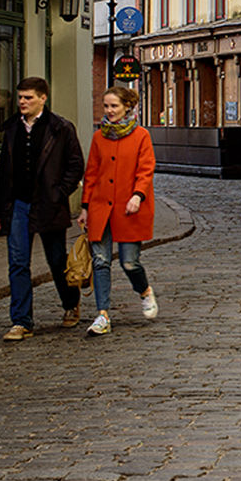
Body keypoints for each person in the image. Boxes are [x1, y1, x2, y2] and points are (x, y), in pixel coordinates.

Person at [0, 76, 85, 341]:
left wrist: (59, 192)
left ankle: (70, 303)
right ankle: (21, 322)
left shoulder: (60, 128)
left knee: (56, 261)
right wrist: (1, 211)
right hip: (18, 205)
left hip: (48, 204)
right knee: (18, 263)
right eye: (20, 97)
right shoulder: (11, 129)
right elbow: (4, 174)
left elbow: (75, 165)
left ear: (43, 98)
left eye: (28, 97)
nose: (22, 102)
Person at [78, 86, 159, 337]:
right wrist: (85, 207)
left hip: (129, 208)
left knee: (129, 261)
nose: (109, 111)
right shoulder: (99, 137)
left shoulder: (141, 136)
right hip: (101, 207)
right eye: (106, 106)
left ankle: (144, 291)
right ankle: (102, 315)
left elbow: (146, 169)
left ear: (127, 106)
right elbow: (91, 173)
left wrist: (138, 195)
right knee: (100, 262)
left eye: (114, 106)